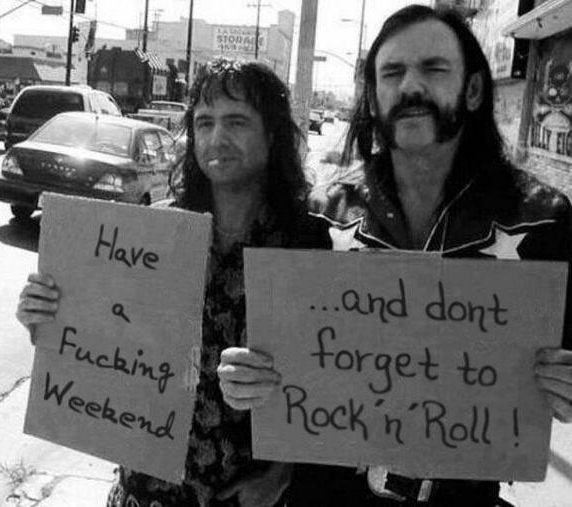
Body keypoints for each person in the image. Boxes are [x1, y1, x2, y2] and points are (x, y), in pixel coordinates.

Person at [219, 4, 572, 506]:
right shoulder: (322, 214)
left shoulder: (542, 221)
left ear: (473, 90)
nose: (410, 87)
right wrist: (247, 383)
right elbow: (285, 370)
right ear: (373, 97)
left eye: (433, 69)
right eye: (392, 73)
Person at [16, 57, 331, 507]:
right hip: (144, 489)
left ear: (273, 134)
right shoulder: (153, 231)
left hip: (244, 494)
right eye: (204, 123)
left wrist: (281, 474)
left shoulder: (309, 243)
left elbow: (330, 380)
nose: (217, 138)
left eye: (237, 121)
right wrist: (45, 318)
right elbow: (98, 339)